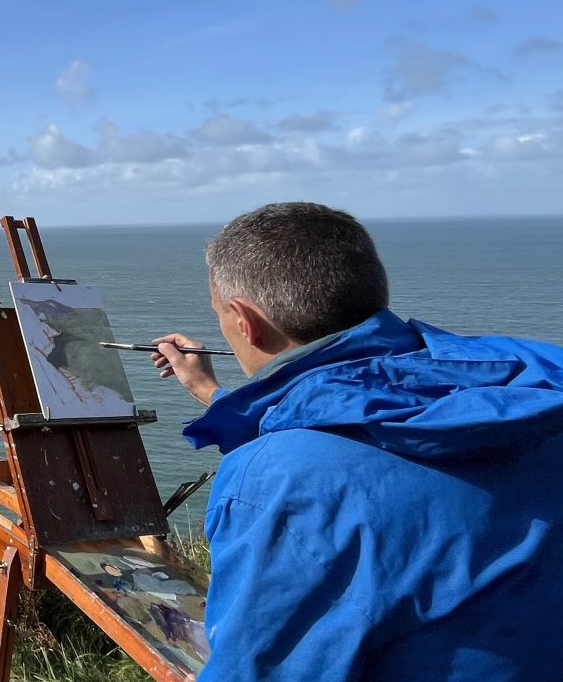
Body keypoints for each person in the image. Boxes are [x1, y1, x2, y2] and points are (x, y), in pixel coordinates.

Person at [154, 202, 563, 682]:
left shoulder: (275, 484)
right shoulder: (537, 382)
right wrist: (212, 393)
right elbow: (373, 420)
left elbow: (265, 670)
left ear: (245, 321)